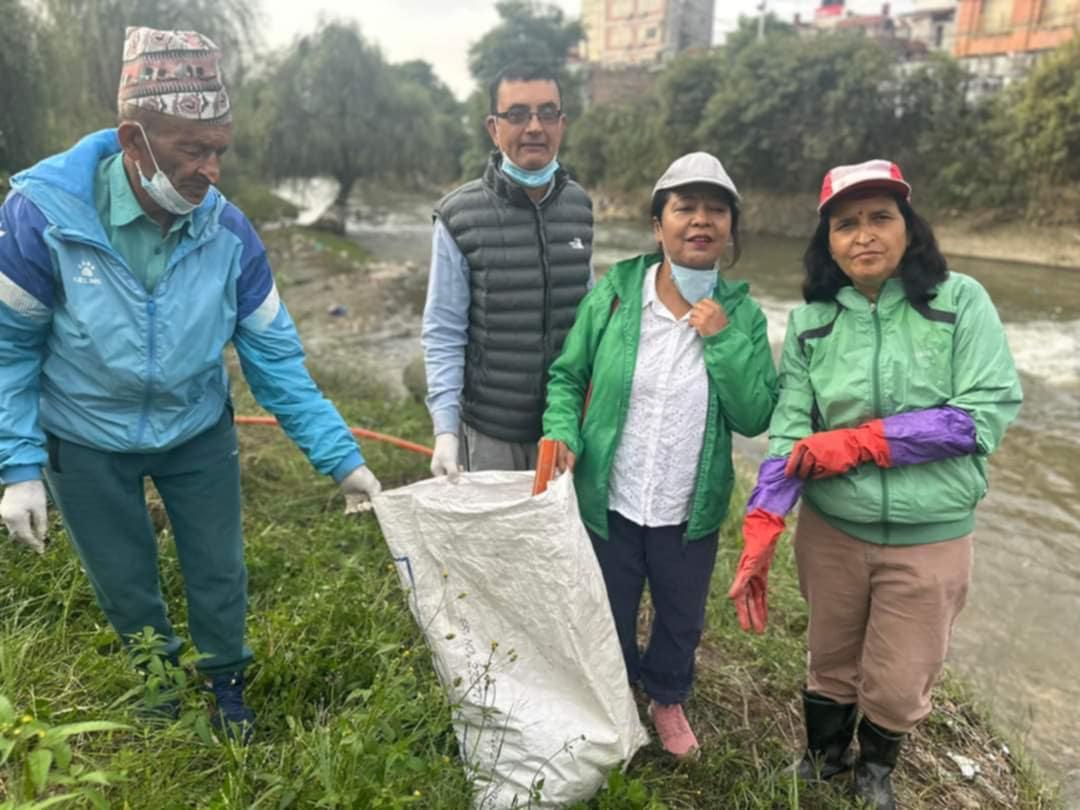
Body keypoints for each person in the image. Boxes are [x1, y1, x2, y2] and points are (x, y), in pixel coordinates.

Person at [0, 27, 382, 741]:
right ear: (134, 141)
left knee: (218, 570)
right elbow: (9, 350)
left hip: (195, 428)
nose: (211, 171)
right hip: (82, 437)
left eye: (220, 151)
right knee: (124, 578)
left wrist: (344, 461)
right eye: (191, 151)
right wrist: (17, 467)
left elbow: (276, 362)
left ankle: (228, 688)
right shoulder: (41, 219)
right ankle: (159, 690)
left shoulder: (230, 233)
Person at [727, 160, 1022, 808]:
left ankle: (876, 770)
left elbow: (985, 412)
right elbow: (788, 432)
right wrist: (763, 522)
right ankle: (825, 758)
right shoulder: (810, 323)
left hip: (932, 534)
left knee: (901, 674)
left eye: (880, 218)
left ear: (907, 227)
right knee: (829, 657)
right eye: (846, 223)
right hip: (833, 529)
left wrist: (862, 442)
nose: (863, 235)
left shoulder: (961, 301)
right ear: (827, 241)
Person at [543, 153, 777, 758]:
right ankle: (616, 692)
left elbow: (755, 415)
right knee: (609, 609)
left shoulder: (744, 316)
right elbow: (568, 377)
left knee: (680, 616)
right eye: (685, 208)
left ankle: (668, 698)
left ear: (731, 228)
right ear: (658, 225)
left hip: (687, 509)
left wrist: (721, 337)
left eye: (715, 210)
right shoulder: (617, 296)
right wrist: (562, 431)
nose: (700, 221)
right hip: (610, 499)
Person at [422, 63, 593, 479]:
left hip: (564, 430)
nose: (534, 127)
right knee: (493, 544)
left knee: (556, 543)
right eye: (517, 114)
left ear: (562, 124)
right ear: (493, 128)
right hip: (489, 433)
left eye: (547, 113)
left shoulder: (579, 207)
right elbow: (443, 329)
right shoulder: (458, 216)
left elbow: (590, 317)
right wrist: (445, 430)